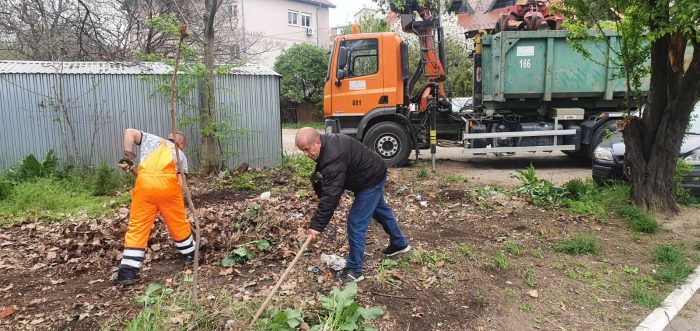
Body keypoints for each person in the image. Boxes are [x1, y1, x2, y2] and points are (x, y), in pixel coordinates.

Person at [295, 127, 411, 284]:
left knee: (356, 222)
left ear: (317, 142)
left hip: (371, 179)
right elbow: (330, 183)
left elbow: (331, 195)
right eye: (302, 151)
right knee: (379, 210)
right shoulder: (326, 146)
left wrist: (317, 226)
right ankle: (399, 244)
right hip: (369, 175)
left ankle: (355, 270)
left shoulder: (332, 154)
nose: (306, 155)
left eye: (307, 150)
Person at [112, 128, 194, 285]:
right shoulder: (180, 154)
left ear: (168, 137)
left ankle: (127, 273)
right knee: (178, 223)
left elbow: (129, 132)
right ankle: (190, 254)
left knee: (137, 227)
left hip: (144, 187)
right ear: (181, 143)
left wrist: (128, 157)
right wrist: (180, 201)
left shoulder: (152, 140)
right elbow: (180, 182)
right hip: (168, 188)